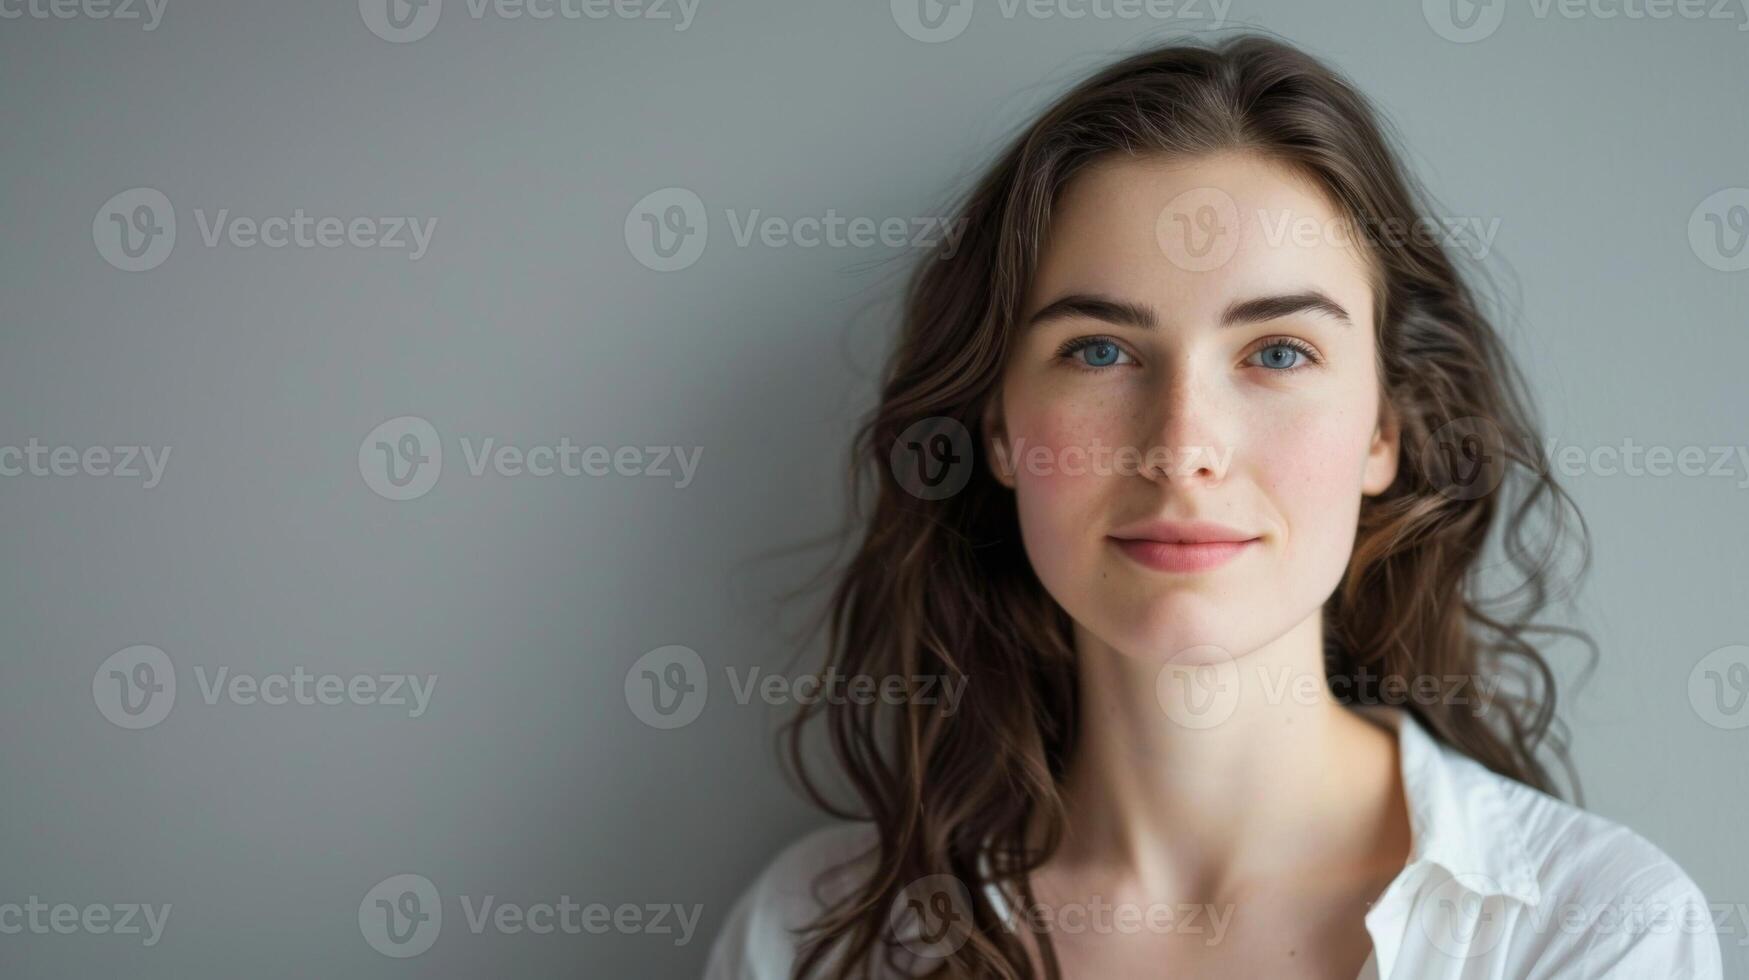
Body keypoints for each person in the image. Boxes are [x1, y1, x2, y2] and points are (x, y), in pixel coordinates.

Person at [705, 32, 1722, 979]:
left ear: (1385, 431)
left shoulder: (1598, 932)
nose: (1184, 447)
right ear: (999, 429)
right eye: (1099, 350)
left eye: (1278, 352)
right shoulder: (821, 934)